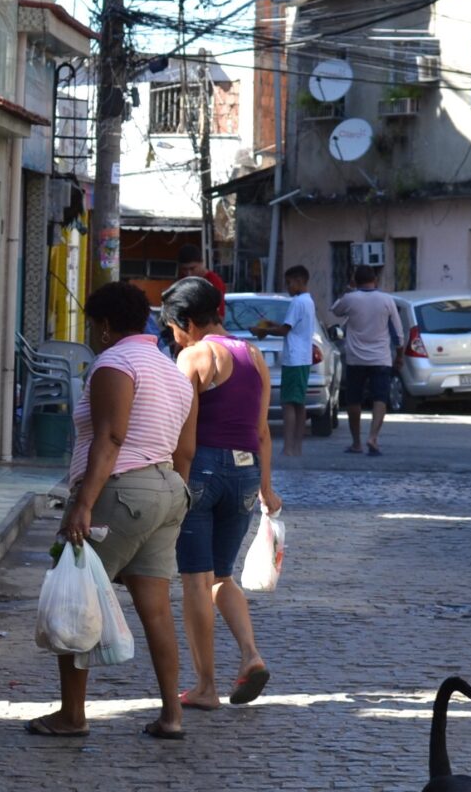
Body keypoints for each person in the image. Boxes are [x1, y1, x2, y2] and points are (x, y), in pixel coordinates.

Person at [30, 281, 198, 741]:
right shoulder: (171, 370)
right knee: (157, 610)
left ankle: (72, 714)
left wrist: (82, 504)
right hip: (167, 488)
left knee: (76, 597)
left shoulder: (114, 363)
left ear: (104, 327)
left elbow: (111, 437)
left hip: (120, 489)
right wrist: (171, 499)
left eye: (91, 325)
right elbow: (186, 448)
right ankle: (172, 715)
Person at [162, 277, 282, 712]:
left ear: (188, 322)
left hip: (204, 471)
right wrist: (267, 487)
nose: (173, 337)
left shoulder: (193, 357)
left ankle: (206, 686)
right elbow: (263, 432)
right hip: (246, 474)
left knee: (196, 578)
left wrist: (177, 482)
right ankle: (251, 654)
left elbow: (185, 437)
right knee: (222, 576)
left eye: (173, 328)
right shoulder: (253, 355)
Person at [330, 264, 403, 456]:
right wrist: (400, 356)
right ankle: (373, 437)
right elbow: (398, 333)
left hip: (356, 359)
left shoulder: (350, 299)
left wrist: (348, 290)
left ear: (355, 280)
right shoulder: (387, 300)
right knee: (380, 398)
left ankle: (356, 443)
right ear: (375, 280)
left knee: (354, 399)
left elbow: (335, 310)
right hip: (381, 358)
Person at [248, 265, 318, 456]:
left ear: (298, 281)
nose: (287, 287)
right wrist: (273, 325)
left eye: (288, 283)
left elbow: (284, 331)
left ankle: (289, 447)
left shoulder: (297, 302)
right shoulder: (308, 301)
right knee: (298, 402)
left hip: (294, 358)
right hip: (303, 357)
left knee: (289, 403)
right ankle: (297, 446)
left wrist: (262, 330)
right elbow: (291, 327)